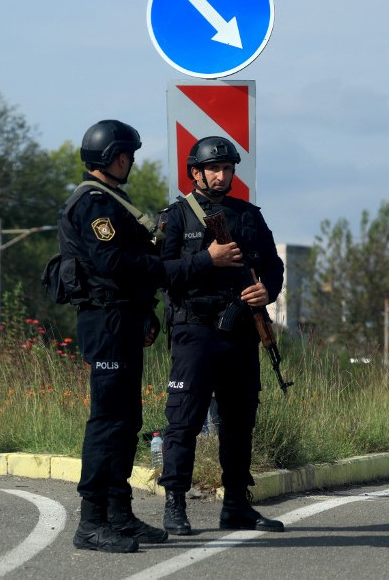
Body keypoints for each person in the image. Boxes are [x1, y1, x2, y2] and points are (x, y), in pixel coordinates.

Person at [55, 119, 196, 553]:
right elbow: (113, 263)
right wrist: (167, 270)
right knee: (108, 421)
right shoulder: (96, 204)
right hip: (106, 321)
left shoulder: (114, 200)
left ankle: (119, 514)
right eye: (129, 156)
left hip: (123, 319)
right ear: (116, 157)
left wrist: (146, 312)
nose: (131, 162)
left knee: (126, 421)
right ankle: (91, 522)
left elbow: (126, 267)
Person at [157, 136, 286, 536]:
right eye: (214, 168)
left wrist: (268, 291)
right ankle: (175, 505)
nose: (221, 175)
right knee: (183, 420)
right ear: (195, 172)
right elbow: (160, 273)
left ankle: (236, 506)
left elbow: (273, 265)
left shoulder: (248, 216)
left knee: (239, 419)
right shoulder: (176, 217)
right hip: (194, 329)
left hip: (240, 331)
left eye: (227, 168)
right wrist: (206, 259)